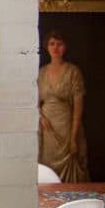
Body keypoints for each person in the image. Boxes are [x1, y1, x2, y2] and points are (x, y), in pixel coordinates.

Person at [38, 30, 89, 182]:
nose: (55, 48)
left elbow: (78, 107)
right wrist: (41, 118)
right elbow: (34, 103)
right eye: (52, 44)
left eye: (59, 44)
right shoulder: (41, 73)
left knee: (71, 163)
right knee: (47, 166)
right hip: (47, 130)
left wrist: (73, 137)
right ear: (46, 47)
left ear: (65, 47)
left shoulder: (73, 71)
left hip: (67, 127)